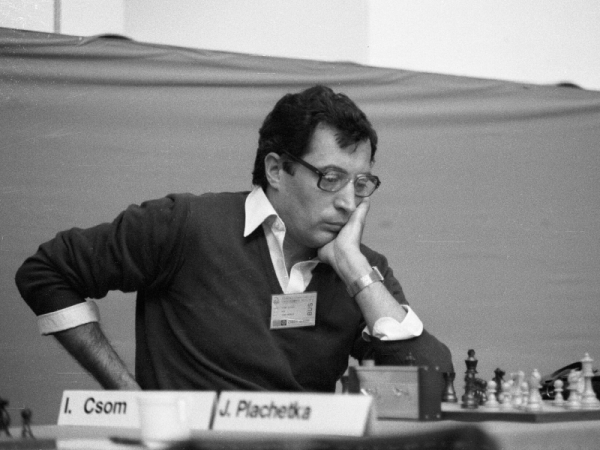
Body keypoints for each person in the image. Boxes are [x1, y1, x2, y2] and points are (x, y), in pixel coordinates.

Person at [15, 85, 453, 395]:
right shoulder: (185, 225)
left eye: (361, 184)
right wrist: (129, 398)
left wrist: (356, 271)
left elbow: (433, 383)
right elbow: (46, 272)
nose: (347, 202)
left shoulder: (362, 271)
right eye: (331, 178)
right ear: (276, 170)